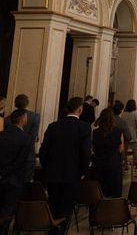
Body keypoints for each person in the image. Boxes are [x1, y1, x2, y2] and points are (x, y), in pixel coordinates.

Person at [39, 97, 92, 230]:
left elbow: (43, 151)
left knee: (52, 206)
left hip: (52, 174)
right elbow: (85, 153)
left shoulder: (53, 126)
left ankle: (52, 231)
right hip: (72, 175)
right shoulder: (84, 128)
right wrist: (83, 172)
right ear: (80, 110)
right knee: (65, 209)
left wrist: (47, 168)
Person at [0, 109, 30, 219]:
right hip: (14, 179)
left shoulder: (2, 135)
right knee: (7, 212)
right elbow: (19, 162)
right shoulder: (25, 138)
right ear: (22, 120)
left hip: (2, 176)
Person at [5, 94, 40, 181]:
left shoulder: (7, 119)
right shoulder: (35, 117)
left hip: (10, 158)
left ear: (15, 104)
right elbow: (32, 139)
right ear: (27, 103)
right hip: (27, 158)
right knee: (26, 187)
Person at [91, 108, 124, 197]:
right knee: (114, 191)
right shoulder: (118, 131)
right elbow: (121, 149)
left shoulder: (95, 132)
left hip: (98, 163)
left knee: (98, 191)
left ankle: (96, 210)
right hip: (113, 163)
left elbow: (92, 149)